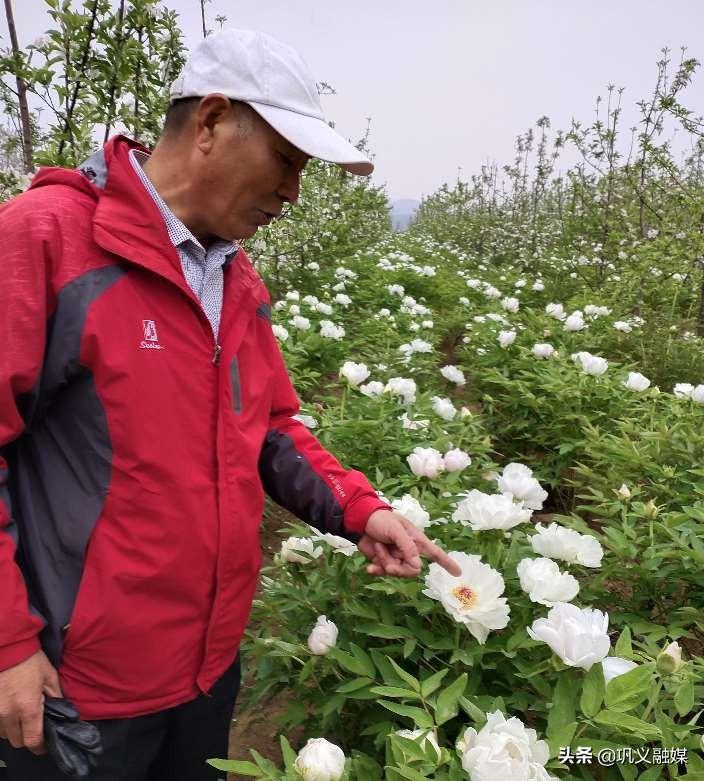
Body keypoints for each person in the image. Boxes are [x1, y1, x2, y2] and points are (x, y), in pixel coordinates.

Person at [0, 28, 460, 780]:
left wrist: (358, 508)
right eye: (286, 160)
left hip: (207, 670)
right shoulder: (47, 240)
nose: (293, 192)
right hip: (77, 689)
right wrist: (8, 645)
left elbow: (270, 425)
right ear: (211, 122)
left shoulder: (234, 280)